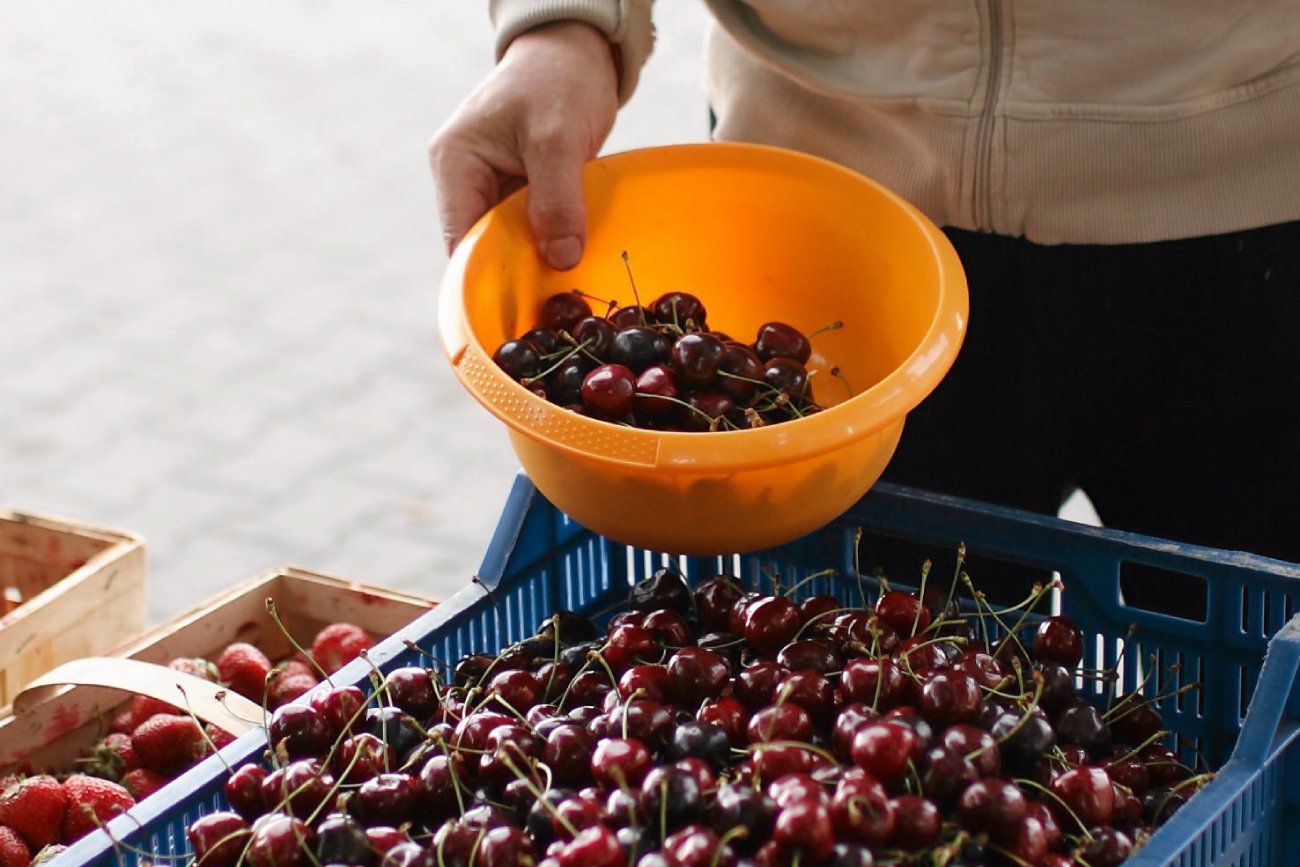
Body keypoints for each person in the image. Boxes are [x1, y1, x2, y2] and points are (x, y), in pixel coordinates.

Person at [429, 4, 1300, 603]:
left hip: (1251, 194)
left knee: (1266, 724)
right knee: (849, 708)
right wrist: (568, 23)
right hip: (821, 226)